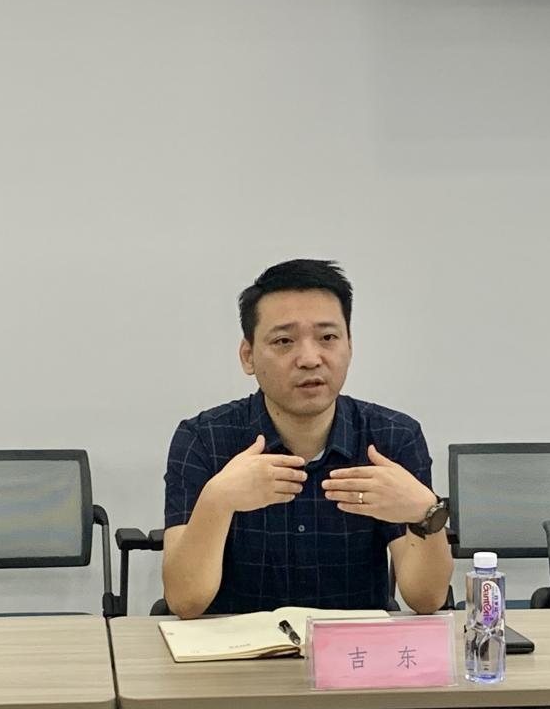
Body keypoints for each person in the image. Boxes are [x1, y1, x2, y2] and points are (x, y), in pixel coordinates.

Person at [162, 259, 453, 618]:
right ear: (248, 356)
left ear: (350, 346)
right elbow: (185, 601)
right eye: (284, 341)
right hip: (237, 650)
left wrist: (425, 512)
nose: (310, 359)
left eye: (328, 338)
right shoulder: (203, 439)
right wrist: (217, 501)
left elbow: (426, 599)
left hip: (354, 650)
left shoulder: (393, 437)